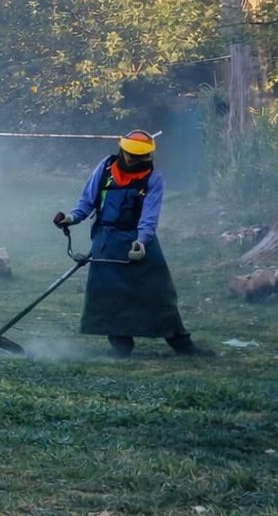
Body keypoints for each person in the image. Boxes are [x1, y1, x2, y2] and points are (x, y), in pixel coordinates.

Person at [53, 129, 211, 358]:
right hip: (106, 240)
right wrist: (71, 218)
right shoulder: (106, 168)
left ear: (148, 156)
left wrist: (142, 242)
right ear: (122, 149)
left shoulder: (153, 178)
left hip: (137, 240)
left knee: (158, 291)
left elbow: (149, 215)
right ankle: (120, 347)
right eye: (129, 154)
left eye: (139, 156)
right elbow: (87, 201)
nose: (132, 159)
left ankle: (181, 344)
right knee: (109, 295)